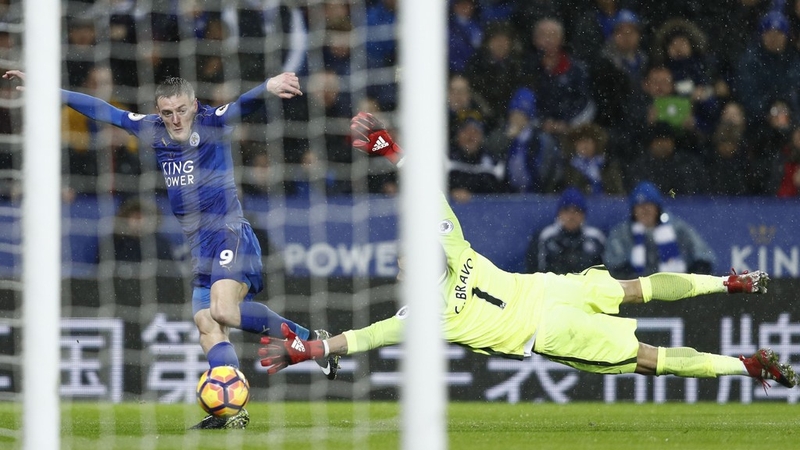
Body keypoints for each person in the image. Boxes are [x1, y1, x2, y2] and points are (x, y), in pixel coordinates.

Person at [257, 112, 798, 394]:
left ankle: (745, 361)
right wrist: (392, 151)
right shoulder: (451, 257)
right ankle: (731, 292)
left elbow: (365, 337)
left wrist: (314, 351)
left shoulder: (429, 307)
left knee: (649, 358)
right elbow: (429, 195)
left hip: (551, 324)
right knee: (638, 293)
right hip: (552, 290)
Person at [2, 69, 339, 429]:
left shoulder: (211, 122)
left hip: (229, 232)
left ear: (194, 105)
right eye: (167, 113)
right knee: (207, 325)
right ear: (158, 112)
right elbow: (104, 111)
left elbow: (242, 105)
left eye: (181, 110)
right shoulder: (152, 130)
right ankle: (230, 412)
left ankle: (308, 339)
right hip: (198, 245)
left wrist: (268, 87)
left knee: (222, 311)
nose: (175, 120)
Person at [604, 181, 715, 279]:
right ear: (633, 210)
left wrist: (694, 273)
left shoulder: (677, 228)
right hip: (636, 292)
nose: (645, 211)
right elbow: (613, 264)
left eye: (649, 206)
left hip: (675, 290)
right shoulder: (621, 233)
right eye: (640, 206)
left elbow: (704, 257)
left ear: (658, 208)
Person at [525, 187, 605, 274]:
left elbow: (606, 273)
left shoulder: (595, 238)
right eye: (567, 210)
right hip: (553, 286)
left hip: (586, 286)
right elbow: (534, 272)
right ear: (559, 213)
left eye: (577, 211)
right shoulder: (546, 237)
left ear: (583, 215)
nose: (572, 216)